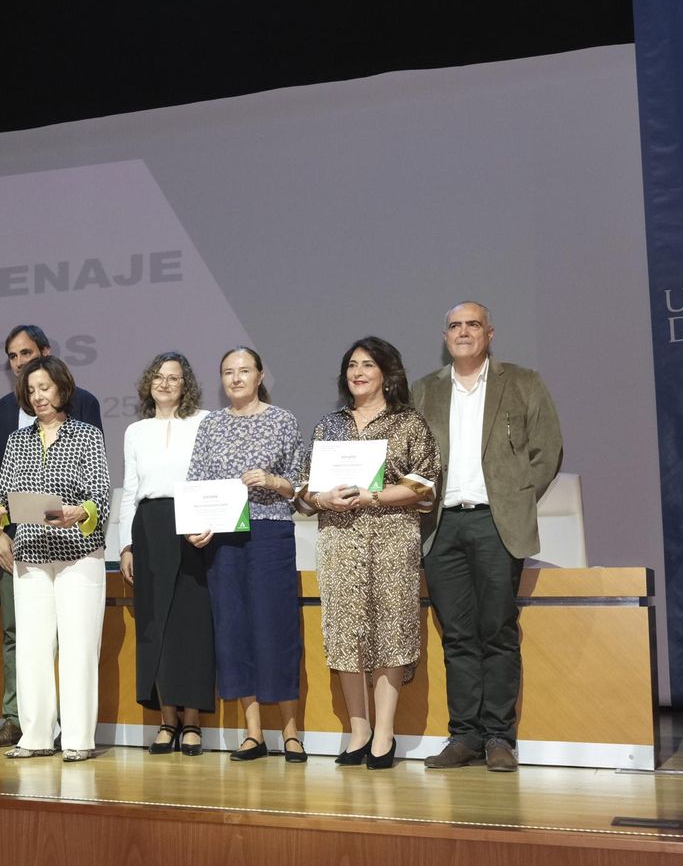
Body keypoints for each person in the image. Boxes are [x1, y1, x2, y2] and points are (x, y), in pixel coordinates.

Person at [413, 302, 562, 773]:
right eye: (455, 326)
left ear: (490, 333)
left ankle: (499, 736)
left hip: (496, 524)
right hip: (441, 526)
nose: (463, 332)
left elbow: (548, 449)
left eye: (472, 324)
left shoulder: (522, 382)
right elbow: (410, 454)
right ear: (444, 335)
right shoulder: (424, 390)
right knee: (456, 635)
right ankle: (465, 737)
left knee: (496, 631)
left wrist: (516, 497)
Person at [296, 337, 439, 769]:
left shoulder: (409, 423)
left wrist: (371, 496)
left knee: (390, 633)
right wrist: (322, 499)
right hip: (339, 542)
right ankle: (358, 732)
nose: (357, 373)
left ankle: (384, 734)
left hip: (392, 539)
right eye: (352, 366)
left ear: (387, 374)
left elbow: (426, 488)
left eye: (367, 365)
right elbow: (303, 491)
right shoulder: (329, 424)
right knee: (346, 636)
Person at [0, 324, 103, 748]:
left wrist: (79, 513)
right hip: (30, 556)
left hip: (78, 555)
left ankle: (77, 739)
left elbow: (100, 499)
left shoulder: (86, 435)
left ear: (62, 389)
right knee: (32, 649)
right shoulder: (16, 441)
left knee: (77, 648)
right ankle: (34, 736)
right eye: (31, 389)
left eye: (45, 387)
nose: (38, 396)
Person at [187, 348, 305, 763]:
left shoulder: (284, 420)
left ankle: (291, 733)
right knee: (233, 629)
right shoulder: (211, 425)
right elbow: (196, 485)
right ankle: (253, 733)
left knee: (276, 628)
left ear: (259, 375)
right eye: (227, 372)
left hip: (271, 533)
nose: (235, 378)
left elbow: (303, 489)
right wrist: (196, 527)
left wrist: (274, 481)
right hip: (223, 538)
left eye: (244, 371)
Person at [114, 353, 211, 756]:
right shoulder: (136, 431)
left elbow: (211, 477)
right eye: (159, 377)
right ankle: (166, 720)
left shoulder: (204, 421)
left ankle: (192, 722)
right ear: (148, 384)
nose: (166, 383)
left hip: (191, 525)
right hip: (149, 527)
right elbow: (131, 489)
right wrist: (125, 545)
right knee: (155, 627)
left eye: (174, 378)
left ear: (185, 384)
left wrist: (207, 522)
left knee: (191, 626)